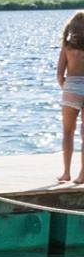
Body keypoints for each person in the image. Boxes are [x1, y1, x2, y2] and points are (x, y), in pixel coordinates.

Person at [57, 12, 84, 183]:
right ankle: (82, 175)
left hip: (71, 89)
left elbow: (60, 75)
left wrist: (66, 89)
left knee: (68, 132)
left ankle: (66, 173)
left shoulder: (66, 48)